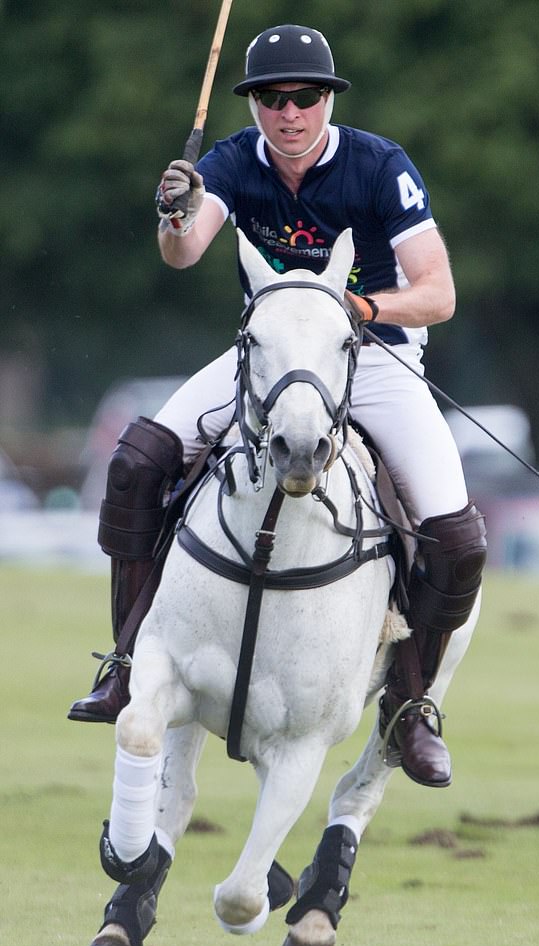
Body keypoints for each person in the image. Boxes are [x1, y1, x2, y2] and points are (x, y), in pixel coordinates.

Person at [69, 24, 486, 789]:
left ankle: (410, 704)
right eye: (270, 96)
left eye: (305, 96)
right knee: (135, 464)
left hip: (374, 357)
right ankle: (127, 662)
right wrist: (174, 211)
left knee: (458, 540)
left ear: (328, 98)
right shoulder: (231, 160)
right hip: (266, 367)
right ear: (254, 103)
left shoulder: (378, 165)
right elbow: (185, 250)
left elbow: (439, 292)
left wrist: (355, 307)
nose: (288, 112)